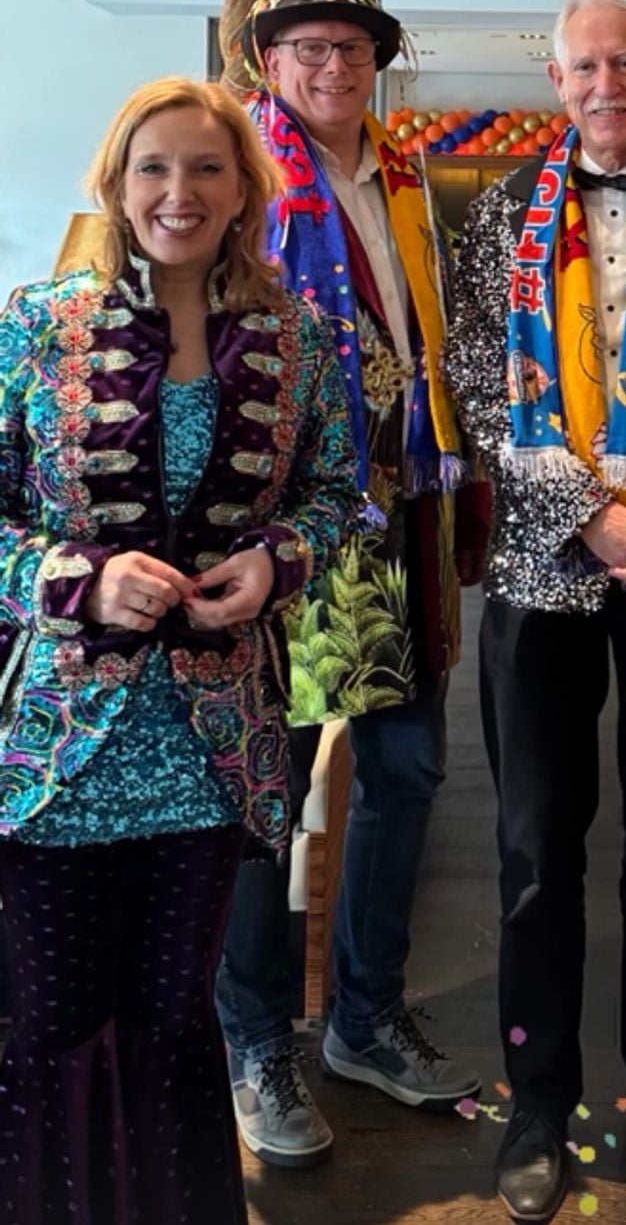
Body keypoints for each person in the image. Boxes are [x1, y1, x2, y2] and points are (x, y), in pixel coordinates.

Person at [0, 77, 358, 1225]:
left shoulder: (303, 340)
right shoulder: (32, 324)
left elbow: (340, 496)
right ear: (114, 182)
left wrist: (277, 562)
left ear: (245, 187)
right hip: (58, 752)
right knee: (51, 1015)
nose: (179, 191)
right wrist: (81, 577)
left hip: (215, 748)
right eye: (154, 166)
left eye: (206, 166)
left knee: (172, 1010)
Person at [447, 0, 626, 1225]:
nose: (606, 81)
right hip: (538, 563)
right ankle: (535, 1095)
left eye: (625, 59)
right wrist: (589, 513)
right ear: (553, 78)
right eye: (584, 65)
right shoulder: (497, 205)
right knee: (530, 850)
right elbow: (474, 381)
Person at [215, 0, 487, 1168]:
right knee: (263, 792)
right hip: (280, 517)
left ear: (377, 62)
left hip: (405, 507)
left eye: (353, 46)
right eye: (309, 46)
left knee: (407, 772)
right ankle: (255, 1035)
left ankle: (366, 1018)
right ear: (271, 61)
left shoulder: (409, 177)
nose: (333, 63)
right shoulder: (240, 171)